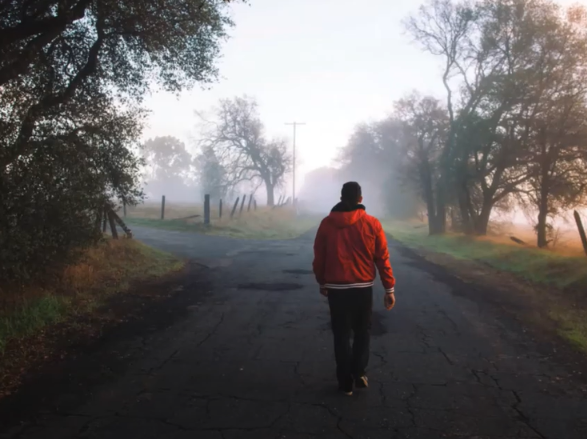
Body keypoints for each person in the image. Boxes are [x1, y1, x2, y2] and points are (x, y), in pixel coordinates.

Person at [312, 181, 396, 396]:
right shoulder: (372, 224)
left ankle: (345, 382)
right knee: (361, 331)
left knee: (340, 334)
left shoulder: (326, 224)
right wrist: (389, 288)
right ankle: (358, 372)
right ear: (360, 199)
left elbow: (319, 256)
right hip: (362, 287)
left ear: (341, 197)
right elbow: (382, 257)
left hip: (336, 288)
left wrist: (322, 282)